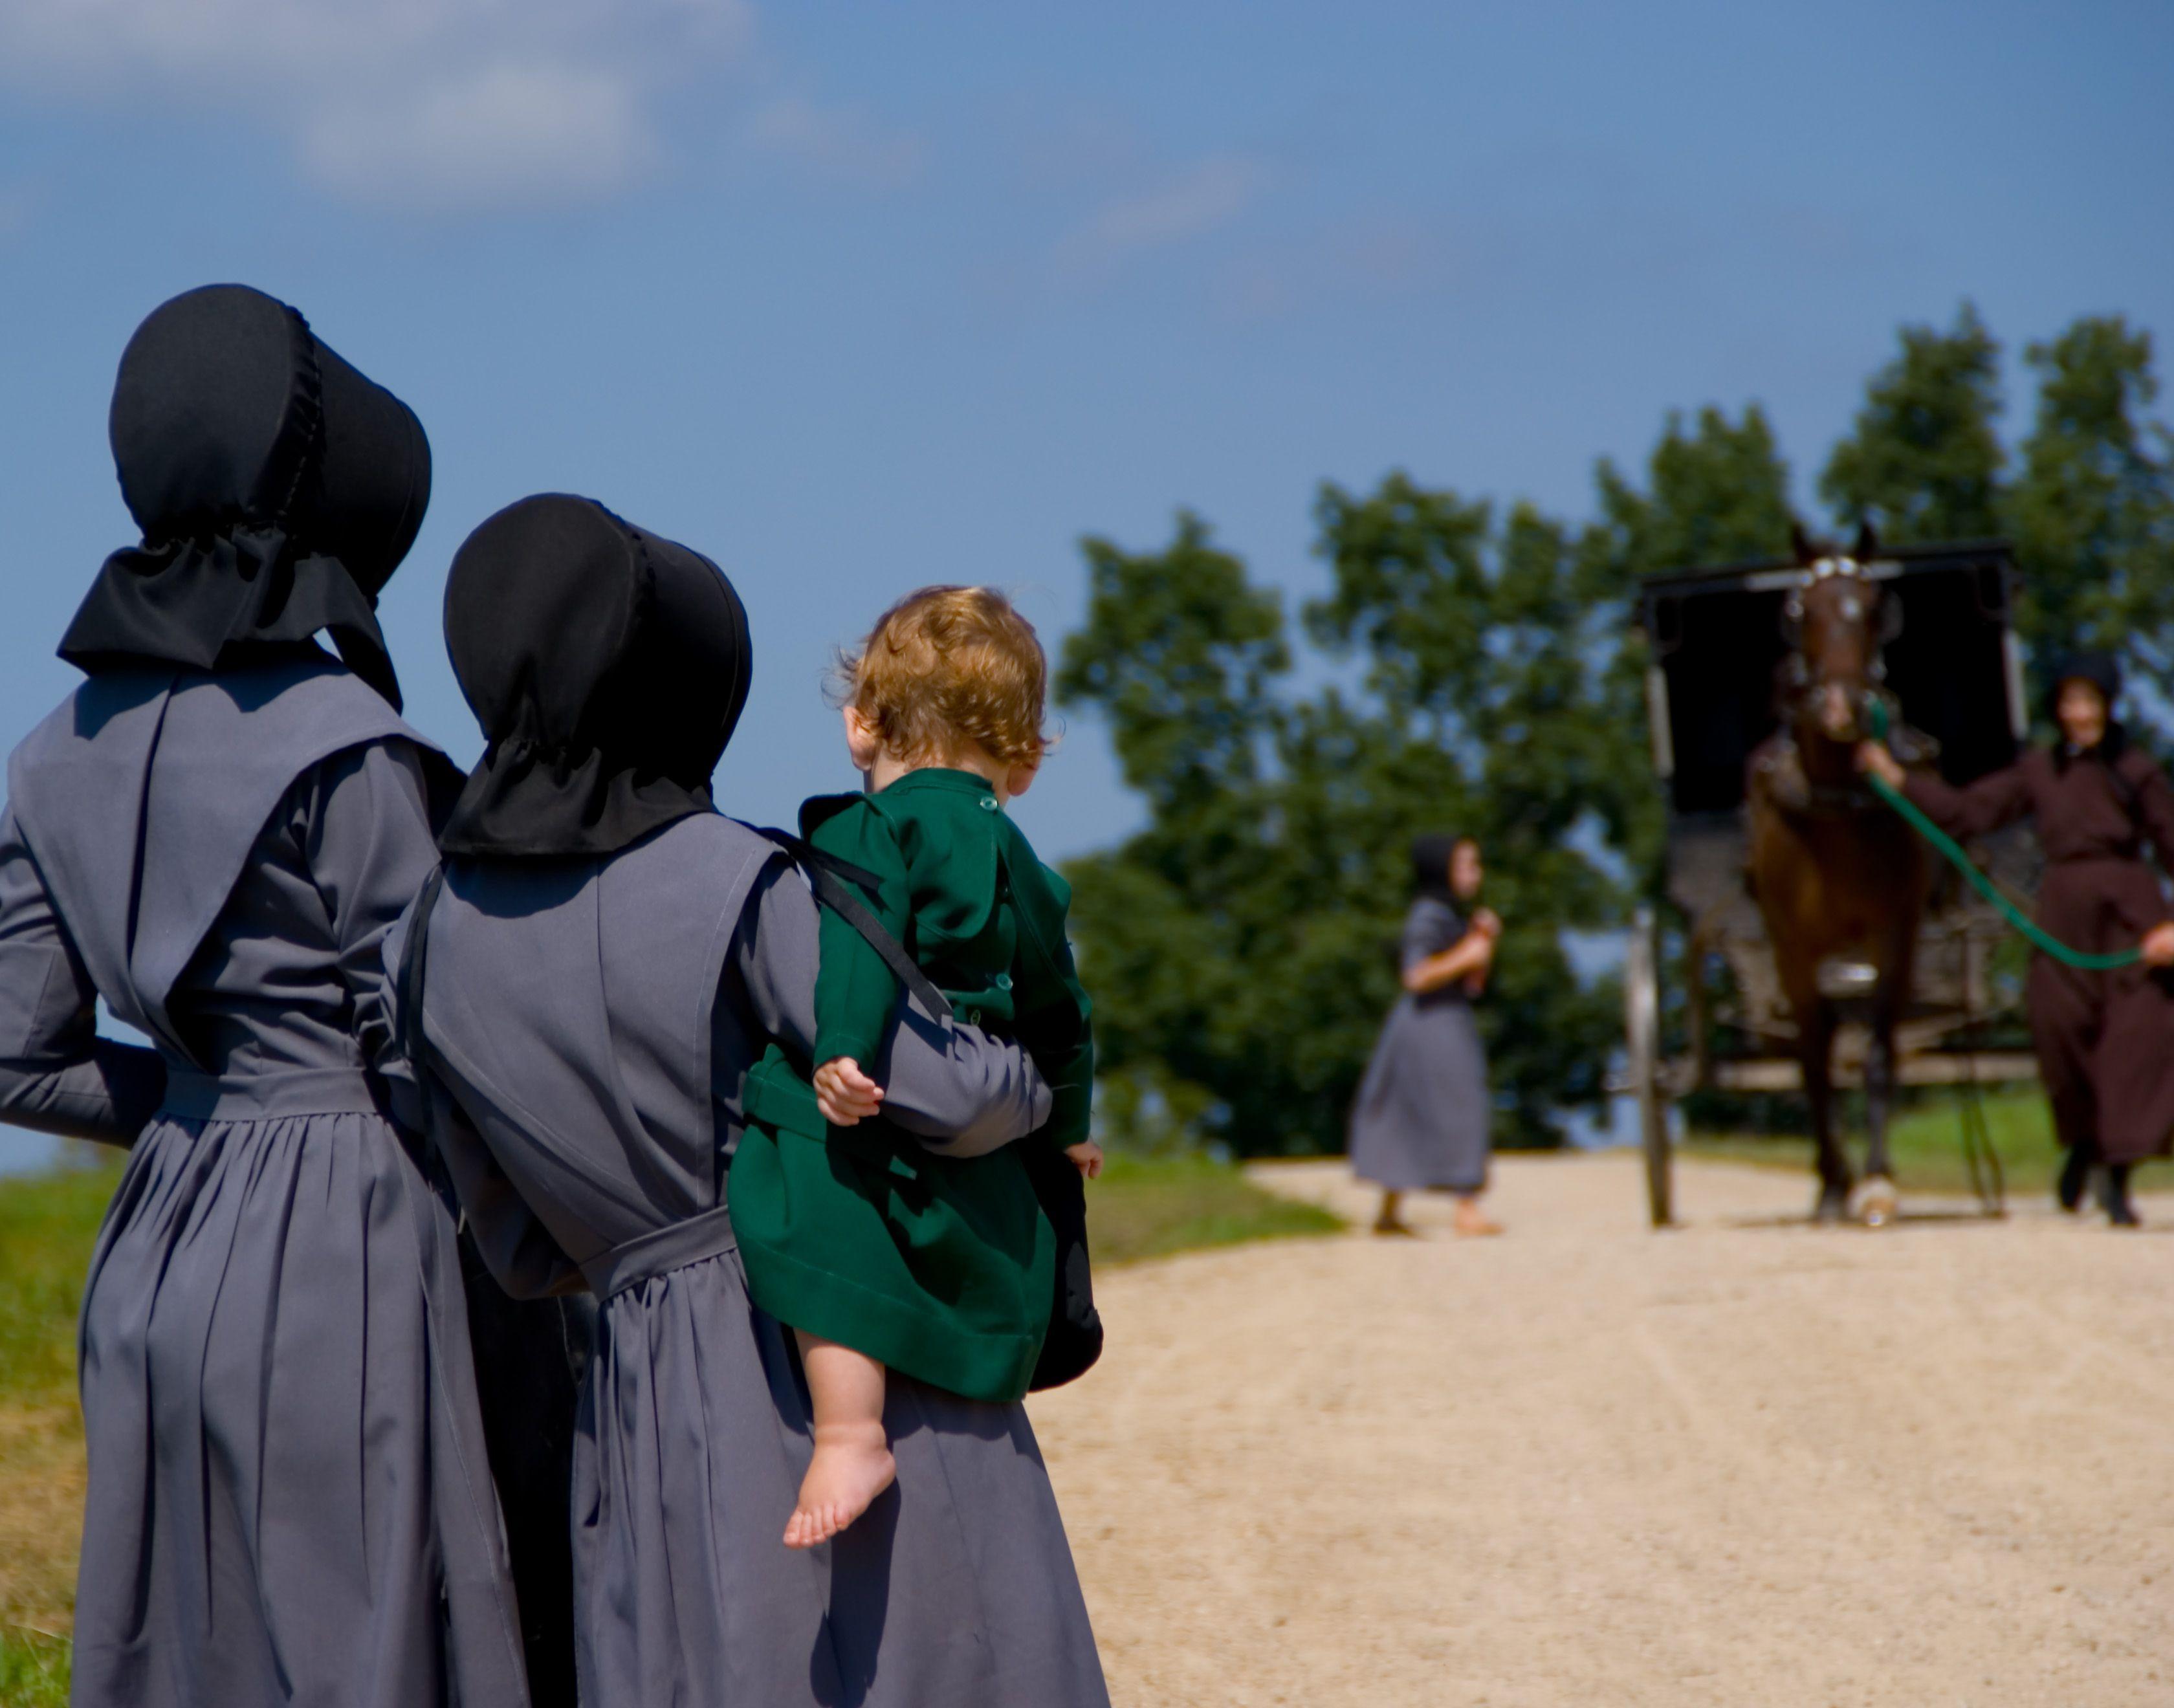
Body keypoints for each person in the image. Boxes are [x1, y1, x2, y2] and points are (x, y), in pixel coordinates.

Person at [386, 494, 1110, 1706]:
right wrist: (1042, 1084)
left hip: (630, 1378)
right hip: (823, 1322)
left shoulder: (431, 933)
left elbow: (511, 1240)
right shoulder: (748, 878)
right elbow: (941, 1092)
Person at [0, 286, 530, 1707]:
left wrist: (197, 1105)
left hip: (153, 1248)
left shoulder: (49, 752)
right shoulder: (353, 748)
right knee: (364, 1639)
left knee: (183, 1648)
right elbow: (435, 1050)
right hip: (346, 1247)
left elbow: (13, 1058)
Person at [729, 585, 1100, 1549]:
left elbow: (858, 947)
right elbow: (1064, 1010)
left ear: (862, 729)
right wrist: (1069, 1126)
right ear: (1021, 765)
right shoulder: (1021, 859)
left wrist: (842, 1052)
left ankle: (850, 1432)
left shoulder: (869, 828)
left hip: (891, 1064)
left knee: (799, 1160)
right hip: (994, 1081)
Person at [1859, 651, 2174, 1226]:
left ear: (2108, 705)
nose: (2081, 714)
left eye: (2090, 702)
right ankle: (2083, 1144)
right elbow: (1968, 813)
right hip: (2062, 915)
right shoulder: (2037, 771)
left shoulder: (2138, 771)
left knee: (2137, 1041)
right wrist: (1898, 778)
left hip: (2132, 914)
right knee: (2060, 1033)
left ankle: (2118, 1180)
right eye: (2070, 703)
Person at [1348, 834, 1503, 1237]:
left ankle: (1390, 1209)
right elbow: (1416, 974)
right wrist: (1468, 952)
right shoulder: (1428, 915)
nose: (1476, 874)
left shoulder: (1444, 915)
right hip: (1435, 1024)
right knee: (1462, 1106)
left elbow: (1470, 981)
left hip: (1428, 1022)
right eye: (1467, 865)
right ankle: (1466, 1208)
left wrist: (1479, 941)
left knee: (1405, 1110)